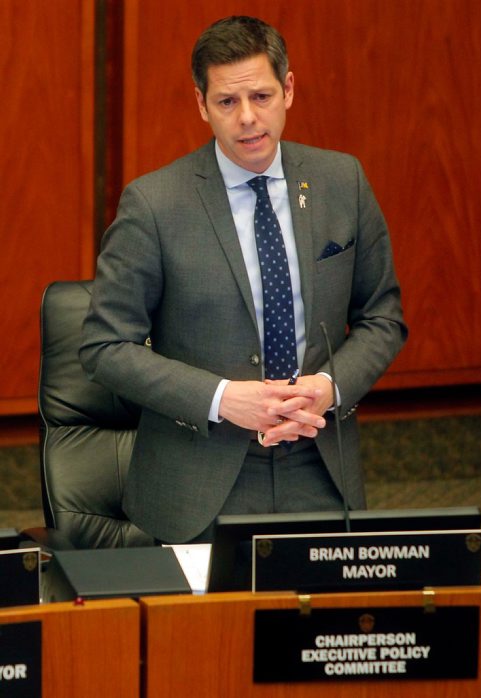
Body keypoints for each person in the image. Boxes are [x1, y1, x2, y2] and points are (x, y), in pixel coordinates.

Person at [80, 15, 407, 544]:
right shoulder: (154, 204)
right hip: (199, 477)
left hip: (320, 466)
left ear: (289, 90)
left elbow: (382, 318)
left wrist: (328, 387)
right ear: (201, 104)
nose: (248, 119)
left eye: (261, 96)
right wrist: (223, 397)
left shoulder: (341, 181)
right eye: (228, 103)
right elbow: (103, 347)